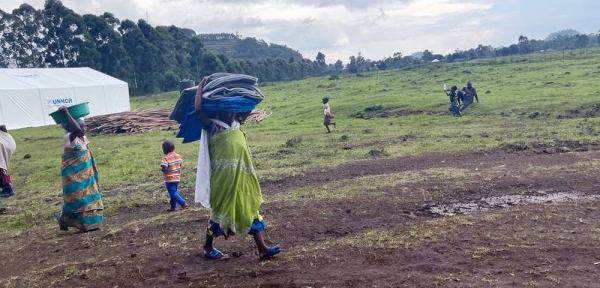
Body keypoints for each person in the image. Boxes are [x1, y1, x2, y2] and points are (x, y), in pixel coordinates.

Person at [194, 77, 281, 260]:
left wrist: (250, 90)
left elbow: (250, 105)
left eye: (233, 110)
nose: (231, 113)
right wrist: (201, 87)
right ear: (219, 111)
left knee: (249, 207)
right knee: (219, 212)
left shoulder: (237, 123)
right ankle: (208, 247)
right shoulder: (213, 126)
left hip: (242, 177)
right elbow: (199, 110)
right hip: (223, 179)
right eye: (228, 110)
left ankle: (262, 249)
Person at [56, 107, 104, 232]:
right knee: (78, 199)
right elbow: (76, 129)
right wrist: (66, 113)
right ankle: (67, 220)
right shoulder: (68, 137)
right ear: (71, 127)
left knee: (89, 197)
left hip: (87, 175)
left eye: (84, 127)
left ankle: (92, 223)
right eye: (81, 127)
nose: (83, 129)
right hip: (74, 176)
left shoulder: (82, 138)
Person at [161, 140, 187, 211]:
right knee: (174, 192)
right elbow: (180, 164)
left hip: (169, 179)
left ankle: (183, 203)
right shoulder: (177, 156)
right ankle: (173, 207)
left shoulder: (166, 158)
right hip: (177, 177)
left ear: (165, 149)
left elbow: (164, 168)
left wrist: (164, 170)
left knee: (172, 192)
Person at [0, 125, 16, 197]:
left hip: (3, 144)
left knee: (1, 167)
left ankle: (8, 188)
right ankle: (7, 187)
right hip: (7, 142)